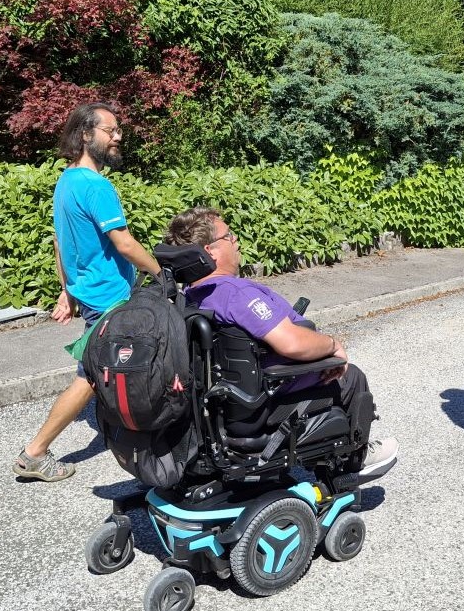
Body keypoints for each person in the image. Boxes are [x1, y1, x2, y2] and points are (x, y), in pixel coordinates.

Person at [163, 207, 399, 484]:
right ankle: (352, 462)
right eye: (229, 236)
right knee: (351, 377)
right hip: (262, 403)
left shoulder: (190, 296)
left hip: (223, 408)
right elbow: (292, 343)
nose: (236, 240)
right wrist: (333, 345)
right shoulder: (235, 294)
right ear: (210, 250)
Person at [12, 102, 161, 482]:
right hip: (109, 297)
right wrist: (162, 272)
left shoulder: (66, 181)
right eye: (110, 130)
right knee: (91, 376)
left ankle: (135, 427)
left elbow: (61, 244)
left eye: (118, 130)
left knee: (120, 363)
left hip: (90, 293)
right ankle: (34, 453)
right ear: (85, 134)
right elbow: (124, 243)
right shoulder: (96, 186)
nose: (118, 137)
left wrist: (67, 293)